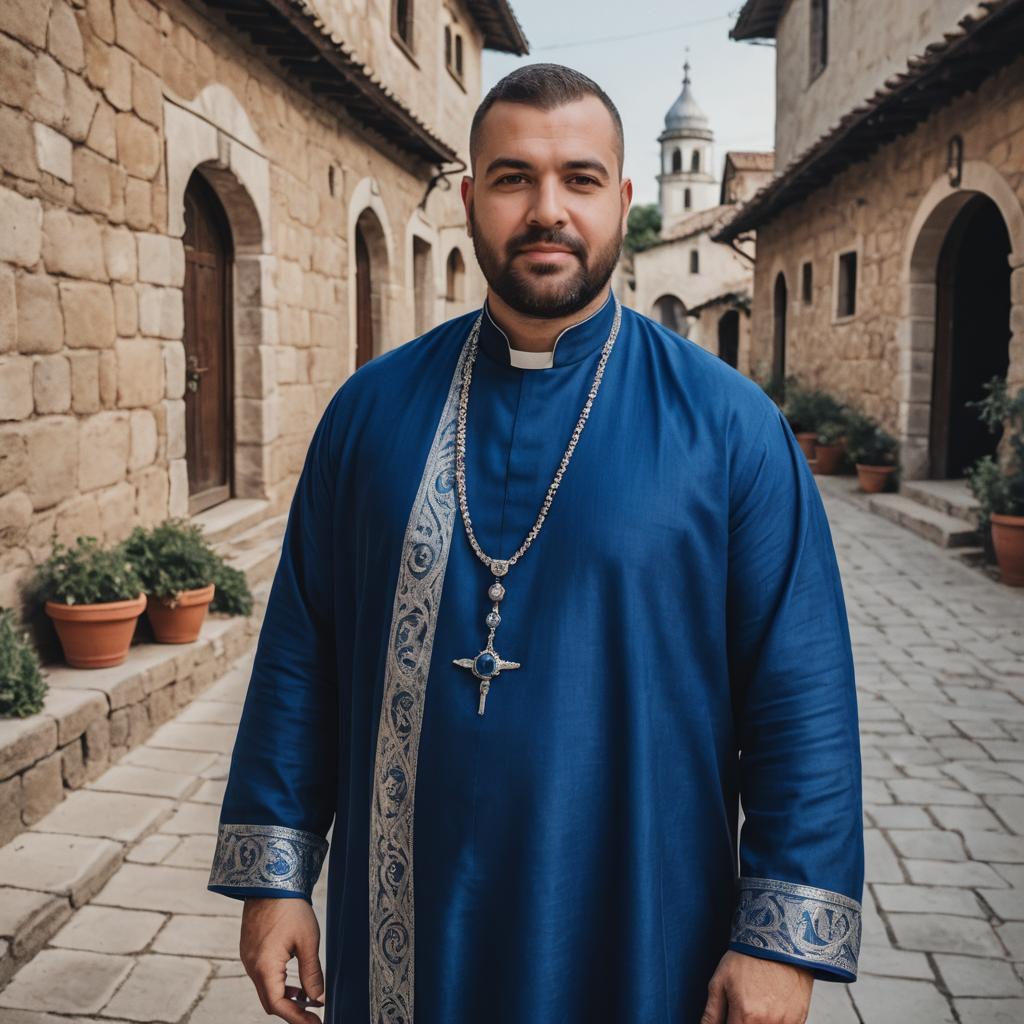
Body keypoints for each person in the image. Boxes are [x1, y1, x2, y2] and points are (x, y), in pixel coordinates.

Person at [208, 63, 864, 1024]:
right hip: (407, 927)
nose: (546, 209)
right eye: (513, 178)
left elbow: (800, 692)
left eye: (580, 179)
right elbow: (301, 656)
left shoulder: (731, 429)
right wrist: (275, 880)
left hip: (645, 926)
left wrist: (779, 945)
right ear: (471, 199)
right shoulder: (369, 415)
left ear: (624, 201)